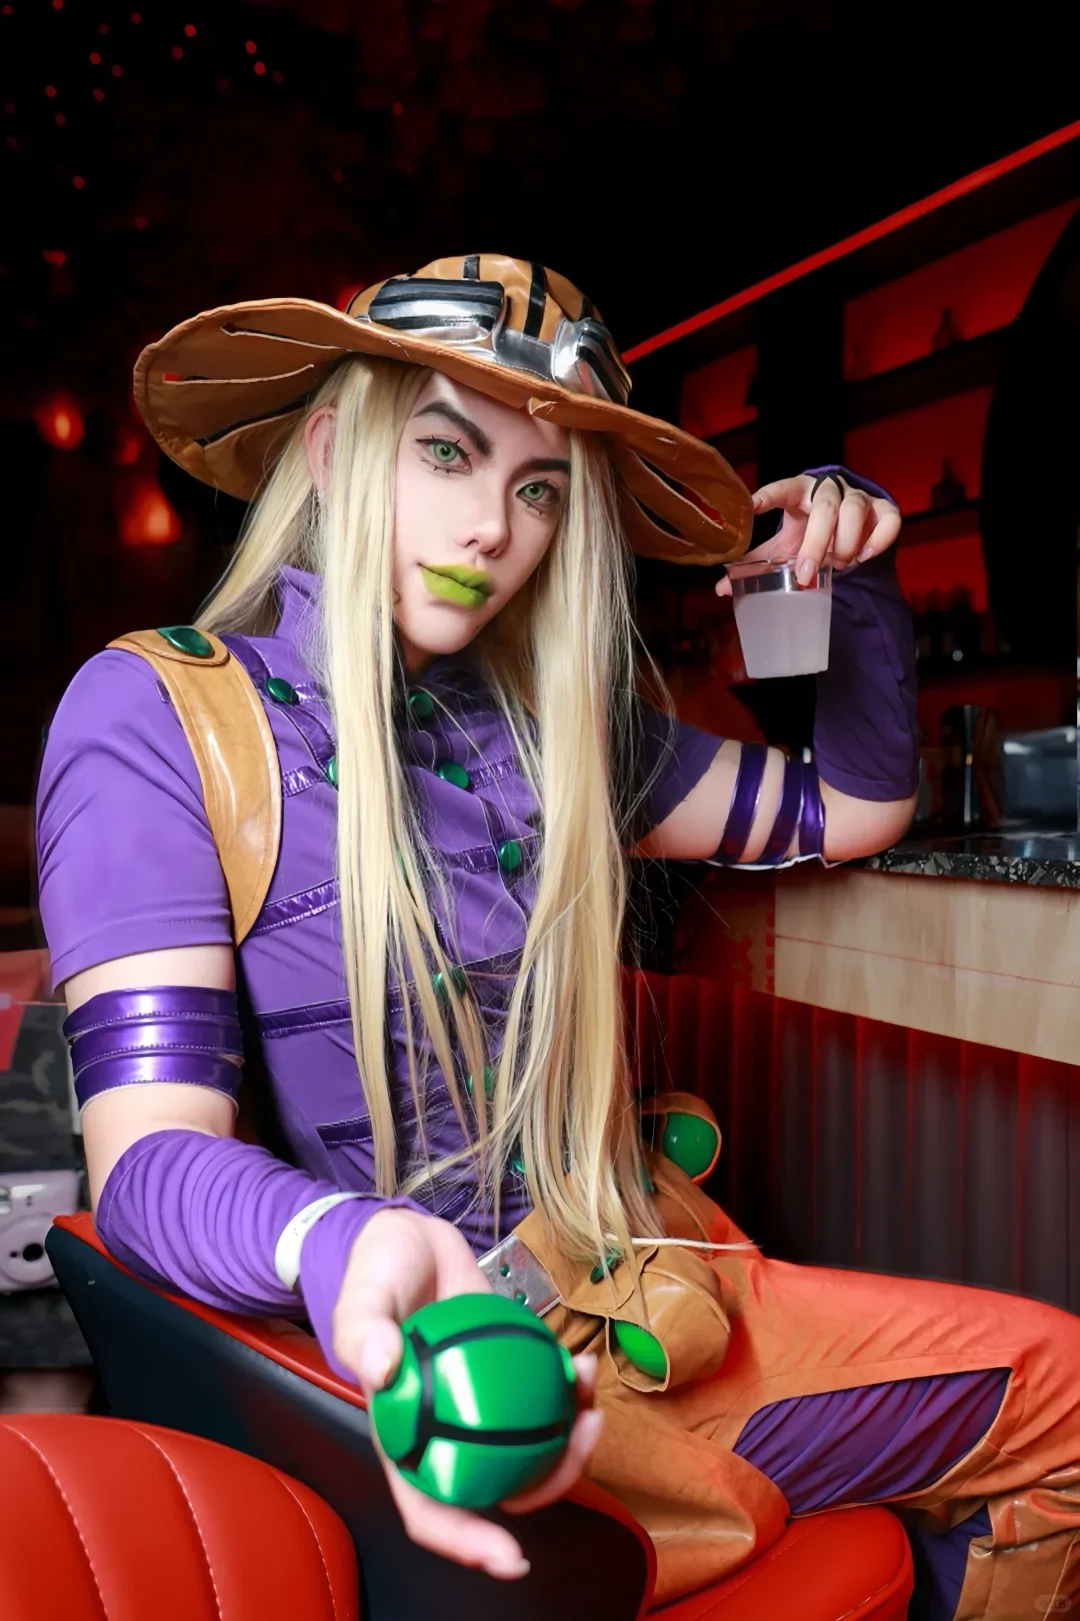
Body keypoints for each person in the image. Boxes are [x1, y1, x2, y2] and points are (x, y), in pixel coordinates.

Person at [36, 255, 1080, 1617]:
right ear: (332, 448)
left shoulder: (561, 734)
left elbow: (855, 810)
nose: (490, 529)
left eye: (538, 490)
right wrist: (338, 1241)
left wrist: (857, 582)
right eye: (446, 454)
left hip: (629, 1283)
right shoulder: (163, 717)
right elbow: (146, 1165)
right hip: (444, 1384)